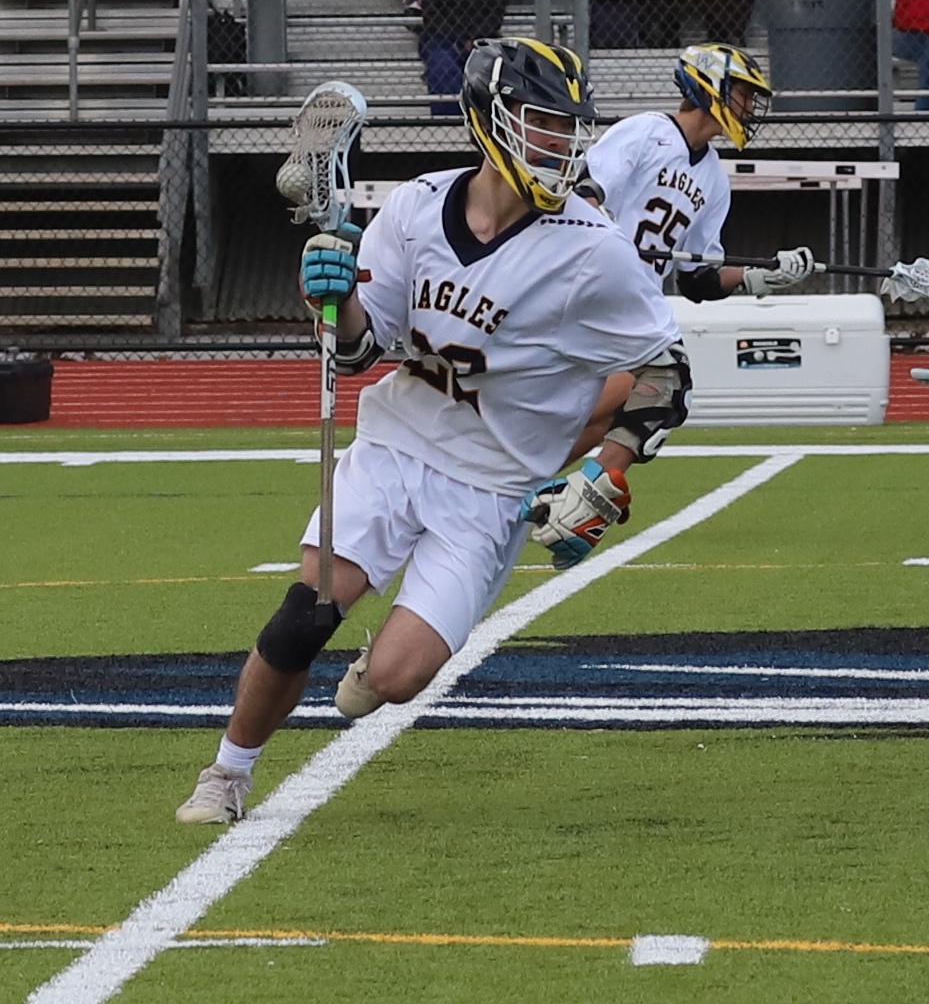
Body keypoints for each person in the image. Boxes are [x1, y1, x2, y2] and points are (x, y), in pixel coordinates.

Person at [175, 40, 693, 823]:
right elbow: (357, 352)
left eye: (569, 127)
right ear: (489, 119)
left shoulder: (593, 249)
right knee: (305, 615)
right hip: (396, 444)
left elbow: (667, 372)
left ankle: (374, 671)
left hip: (490, 486)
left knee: (396, 677)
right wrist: (333, 297)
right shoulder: (417, 207)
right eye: (543, 122)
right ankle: (226, 773)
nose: (561, 142)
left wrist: (608, 467)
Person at [583, 44, 814, 301]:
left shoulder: (715, 180)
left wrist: (758, 274)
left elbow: (696, 281)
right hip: (591, 285)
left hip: (642, 301)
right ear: (710, 87)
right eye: (744, 95)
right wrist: (611, 247)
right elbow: (584, 193)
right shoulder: (647, 130)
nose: (749, 108)